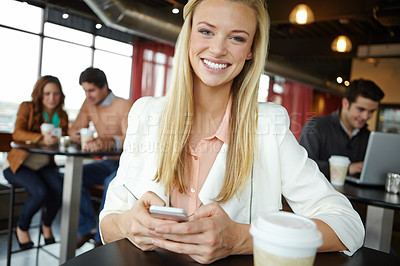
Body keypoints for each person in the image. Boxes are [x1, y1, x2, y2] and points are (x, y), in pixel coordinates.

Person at [99, 0, 365, 264]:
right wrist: (127, 224)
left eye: (237, 38)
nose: (217, 49)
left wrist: (242, 239)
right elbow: (109, 224)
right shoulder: (145, 113)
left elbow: (347, 225)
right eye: (206, 31)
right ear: (188, 34)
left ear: (250, 50)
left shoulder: (268, 125)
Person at [68, 67, 133, 248]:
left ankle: (100, 239)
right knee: (75, 175)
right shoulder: (89, 104)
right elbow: (73, 130)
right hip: (107, 162)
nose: (88, 95)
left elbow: (131, 139)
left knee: (109, 183)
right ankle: (86, 227)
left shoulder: (124, 105)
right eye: (85, 91)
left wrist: (109, 141)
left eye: (91, 90)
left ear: (104, 87)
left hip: (124, 164)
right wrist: (81, 136)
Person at [3, 75, 68, 249]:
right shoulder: (27, 107)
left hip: (43, 166)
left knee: (62, 189)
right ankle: (22, 227)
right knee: (40, 192)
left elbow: (63, 137)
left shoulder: (62, 115)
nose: (52, 98)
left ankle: (46, 225)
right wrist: (41, 138)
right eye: (47, 93)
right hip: (18, 165)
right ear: (39, 94)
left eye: (56, 94)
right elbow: (17, 134)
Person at [299, 79, 384, 179]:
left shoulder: (369, 137)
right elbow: (302, 166)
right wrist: (347, 169)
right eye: (361, 109)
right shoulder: (316, 126)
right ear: (345, 103)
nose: (365, 116)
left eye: (371, 111)